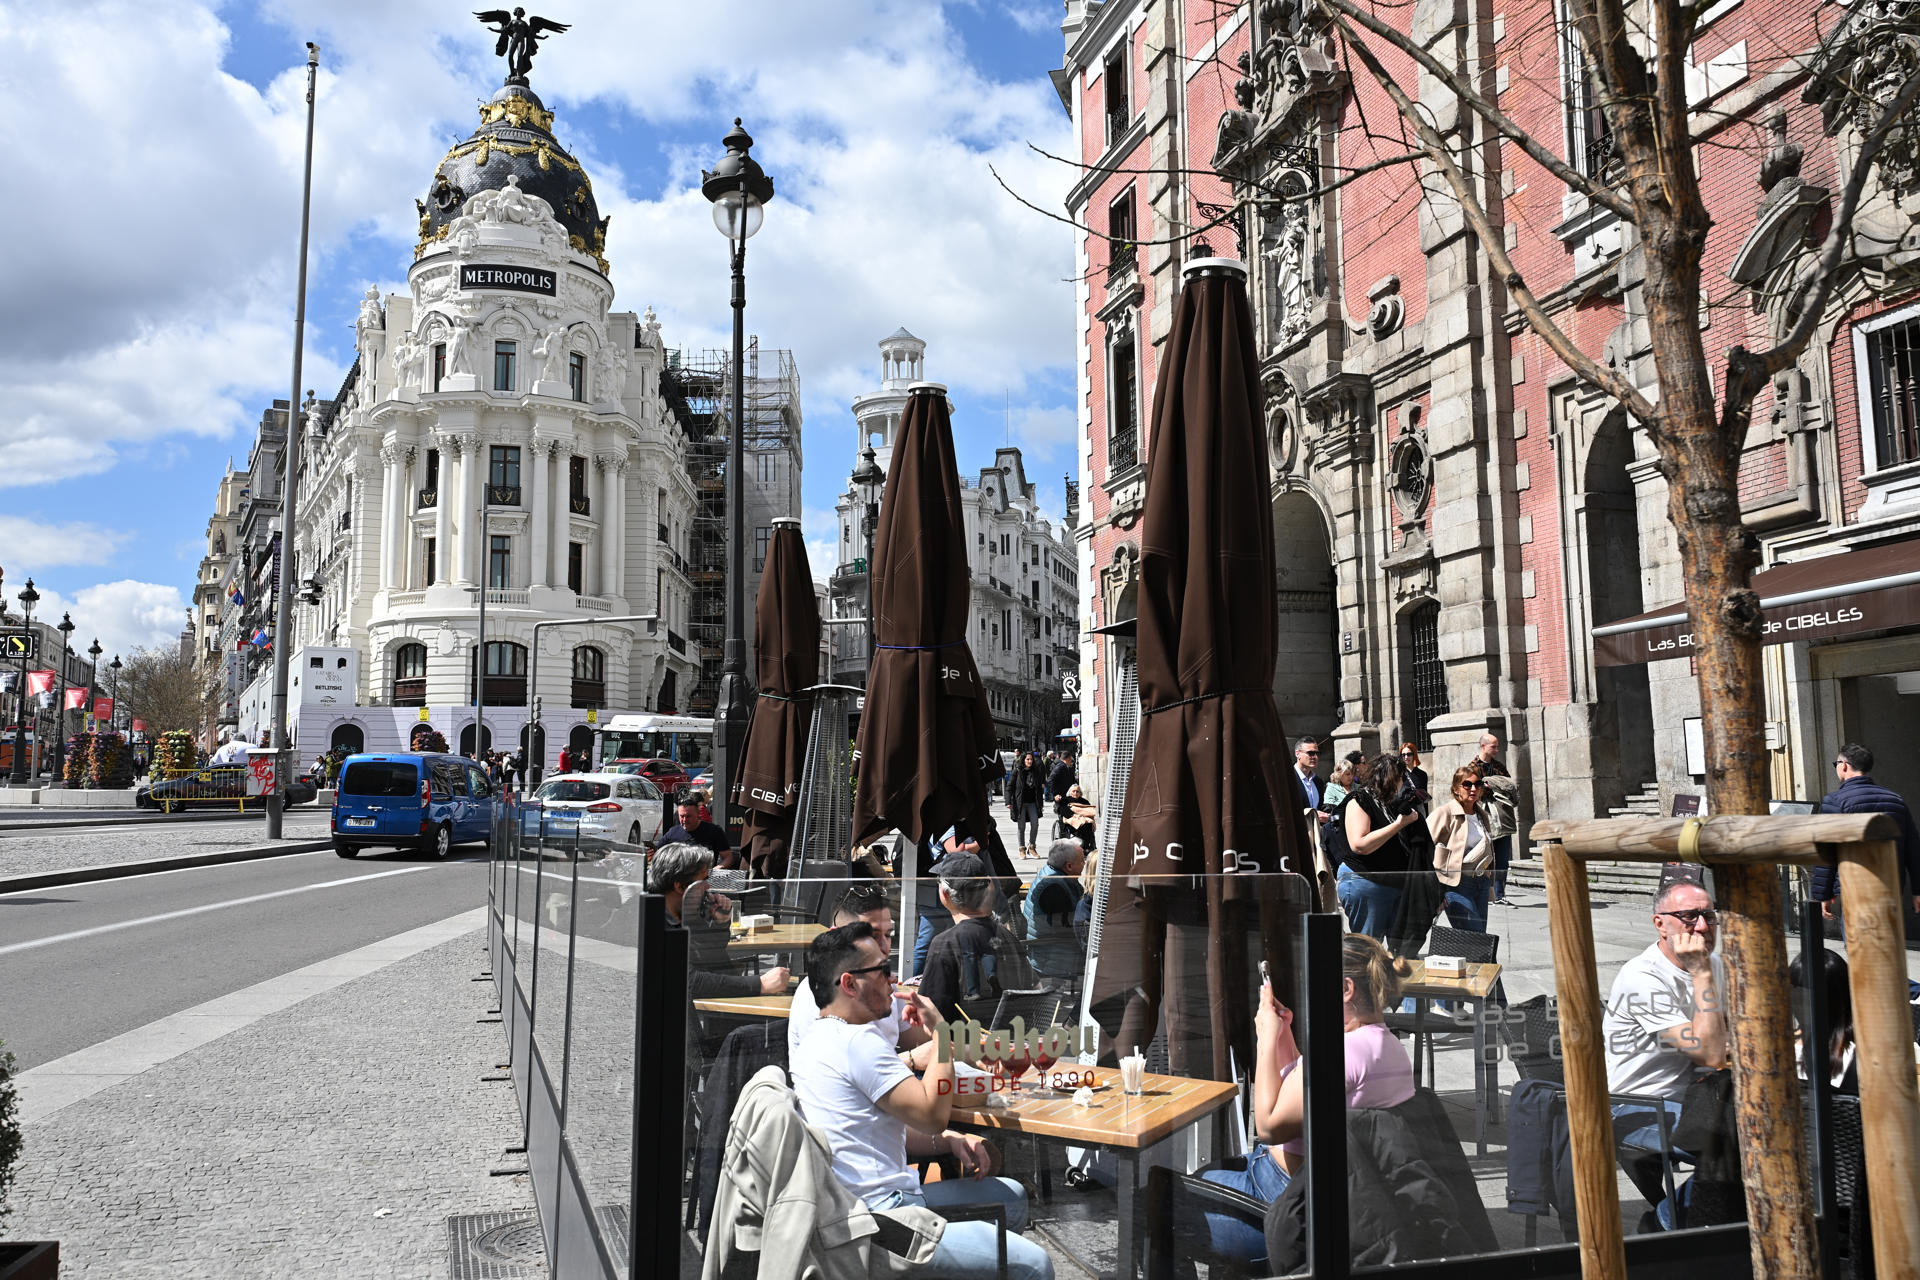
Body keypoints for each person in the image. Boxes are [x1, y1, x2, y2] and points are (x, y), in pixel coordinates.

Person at [790, 922, 1055, 1280]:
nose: (893, 979)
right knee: (1035, 1264)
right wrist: (942, 1034)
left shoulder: (819, 1039)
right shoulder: (859, 1044)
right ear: (849, 984)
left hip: (859, 1209)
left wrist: (948, 1141)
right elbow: (932, 1114)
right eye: (882, 970)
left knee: (1011, 1196)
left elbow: (872, 1131)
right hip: (881, 1223)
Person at [1199, 933, 1416, 1265]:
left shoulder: (1341, 1052)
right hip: (1334, 1198)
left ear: (1346, 989)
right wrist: (1285, 1037)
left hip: (1284, 1203)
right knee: (1201, 1177)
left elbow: (1269, 1126)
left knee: (1159, 1199)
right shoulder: (1387, 1047)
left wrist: (1265, 1039)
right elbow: (1306, 1097)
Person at [1602, 881, 1726, 1208]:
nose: (1703, 926)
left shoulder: (1714, 964)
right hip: (1638, 1104)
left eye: (1709, 915)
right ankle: (1668, 1219)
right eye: (1689, 916)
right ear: (1660, 924)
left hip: (1699, 1093)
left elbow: (1734, 1033)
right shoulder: (1643, 977)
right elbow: (1712, 1053)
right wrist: (1701, 974)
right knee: (1734, 1146)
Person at [787, 884, 934, 1063]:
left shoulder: (882, 982)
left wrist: (937, 1026)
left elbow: (915, 1040)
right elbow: (840, 1071)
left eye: (888, 935)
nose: (884, 946)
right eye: (871, 936)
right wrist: (910, 1059)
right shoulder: (819, 994)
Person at [648, 842, 790, 998]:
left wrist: (720, 922)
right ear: (681, 887)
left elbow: (711, 957)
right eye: (702, 880)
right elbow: (689, 980)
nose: (708, 886)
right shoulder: (652, 922)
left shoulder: (685, 913)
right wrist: (760, 984)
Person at [1810, 742, 1920, 933]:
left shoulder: (1835, 801)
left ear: (1844, 765)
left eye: (1836, 764)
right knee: (1888, 941)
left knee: (1858, 943)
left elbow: (1826, 851)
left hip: (1854, 887)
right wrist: (1918, 890)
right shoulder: (1896, 800)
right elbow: (1913, 848)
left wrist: (1823, 894)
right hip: (1891, 884)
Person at [1334, 753, 1421, 941]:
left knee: (1397, 949)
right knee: (1368, 948)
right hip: (1365, 881)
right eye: (1400, 778)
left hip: (1393, 883)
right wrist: (1399, 824)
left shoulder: (1388, 802)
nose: (1403, 783)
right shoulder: (1359, 799)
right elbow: (1359, 845)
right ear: (1390, 778)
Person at [918, 854, 1010, 1023]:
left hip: (965, 1036)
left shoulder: (944, 943)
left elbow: (929, 1013)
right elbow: (1036, 990)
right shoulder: (1006, 935)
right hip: (1014, 1033)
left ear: (945, 894)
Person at [1426, 766, 1496, 933]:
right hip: (1456, 884)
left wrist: (1488, 876)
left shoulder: (1481, 815)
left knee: (1479, 937)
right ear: (1456, 789)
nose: (1473, 789)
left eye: (1477, 784)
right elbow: (1425, 848)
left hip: (1481, 882)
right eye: (1467, 784)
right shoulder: (1445, 813)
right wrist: (1436, 891)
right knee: (1475, 936)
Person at [913, 824, 982, 975]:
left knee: (932, 940)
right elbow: (958, 850)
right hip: (944, 888)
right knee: (948, 939)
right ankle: (914, 979)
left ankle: (916, 979)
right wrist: (980, 842)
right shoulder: (947, 825)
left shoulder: (937, 822)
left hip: (935, 887)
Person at [1790, 949, 1857, 1094]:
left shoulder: (1855, 1057)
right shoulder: (1782, 1043)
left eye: (1804, 998)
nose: (1797, 1005)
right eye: (1794, 995)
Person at [1022, 839, 1087, 980]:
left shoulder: (1054, 874)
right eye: (1082, 860)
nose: (1085, 864)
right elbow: (1069, 929)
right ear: (1069, 866)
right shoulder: (1054, 888)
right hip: (1051, 960)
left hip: (1050, 952)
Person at [1472, 732, 1516, 903]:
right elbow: (1473, 791)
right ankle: (1485, 893)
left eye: (1497, 746)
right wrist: (1487, 787)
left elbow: (1509, 786)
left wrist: (1494, 785)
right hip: (1484, 817)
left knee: (1503, 859)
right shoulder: (1473, 767)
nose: (1497, 750)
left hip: (1502, 818)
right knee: (1485, 858)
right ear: (1483, 746)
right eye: (1494, 747)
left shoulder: (1499, 767)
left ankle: (1500, 894)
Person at [664, 798, 734, 867]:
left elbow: (728, 857)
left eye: (688, 816)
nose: (684, 820)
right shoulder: (673, 832)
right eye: (682, 816)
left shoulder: (714, 831)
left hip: (705, 873)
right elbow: (658, 851)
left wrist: (715, 870)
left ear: (698, 814)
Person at [1007, 751, 1047, 859]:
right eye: (1027, 759)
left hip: (1032, 802)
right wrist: (1008, 801)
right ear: (1023, 760)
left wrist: (1041, 803)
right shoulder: (1017, 771)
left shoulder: (1035, 771)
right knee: (1021, 827)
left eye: (1031, 759)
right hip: (1020, 803)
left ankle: (1032, 847)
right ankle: (1022, 849)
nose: (1029, 761)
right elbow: (1010, 786)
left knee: (1035, 824)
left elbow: (1039, 789)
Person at [1293, 737, 1328, 825]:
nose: (1315, 757)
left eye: (1317, 753)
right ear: (1297, 754)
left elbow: (1320, 807)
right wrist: (1311, 815)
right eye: (1311, 753)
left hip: (1316, 830)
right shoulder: (1288, 778)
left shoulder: (1318, 781)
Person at [1055, 784, 1097, 851]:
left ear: (1080, 793)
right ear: (1070, 792)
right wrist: (1074, 815)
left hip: (1084, 820)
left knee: (1088, 824)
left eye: (1077, 791)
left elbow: (1089, 811)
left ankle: (1086, 846)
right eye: (1073, 791)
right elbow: (1062, 810)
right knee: (1080, 824)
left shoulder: (1084, 801)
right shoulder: (1065, 800)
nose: (1075, 793)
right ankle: (1079, 845)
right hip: (1071, 821)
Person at [1399, 742, 1430, 811]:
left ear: (1414, 755)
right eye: (1403, 755)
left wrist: (1426, 815)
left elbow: (1424, 798)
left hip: (1419, 811)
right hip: (1404, 811)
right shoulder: (1399, 774)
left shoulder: (1422, 775)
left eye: (1409, 754)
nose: (1406, 757)